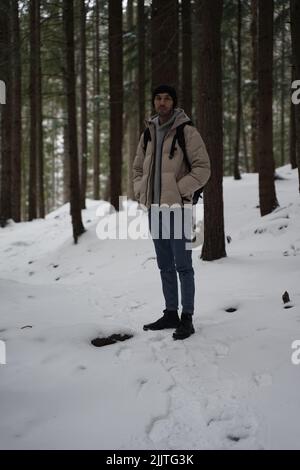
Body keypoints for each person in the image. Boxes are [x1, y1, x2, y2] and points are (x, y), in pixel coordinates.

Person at [132, 84, 211, 340]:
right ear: (154, 102)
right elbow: (137, 169)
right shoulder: (148, 133)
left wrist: (179, 190)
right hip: (154, 209)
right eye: (158, 98)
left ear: (174, 103)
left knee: (183, 266)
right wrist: (140, 190)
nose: (162, 102)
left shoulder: (187, 131)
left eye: (167, 99)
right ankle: (170, 313)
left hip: (178, 209)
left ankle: (187, 317)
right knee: (165, 265)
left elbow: (202, 168)